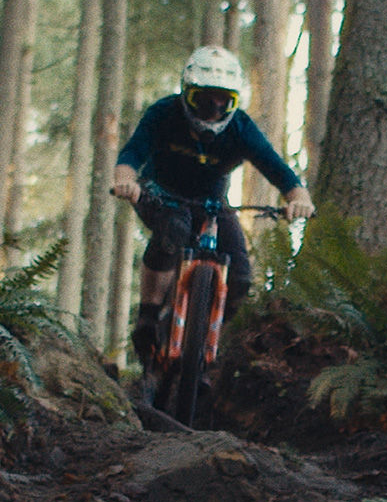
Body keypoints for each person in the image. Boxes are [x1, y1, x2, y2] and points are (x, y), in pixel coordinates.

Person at [110, 45, 315, 360]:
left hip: (212, 204)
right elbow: (132, 153)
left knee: (241, 278)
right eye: (203, 99)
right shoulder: (163, 113)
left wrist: (299, 199)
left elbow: (279, 171)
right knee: (173, 231)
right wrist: (125, 181)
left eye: (224, 101)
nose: (214, 109)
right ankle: (148, 315)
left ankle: (205, 343)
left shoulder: (241, 128)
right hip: (160, 192)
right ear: (186, 93)